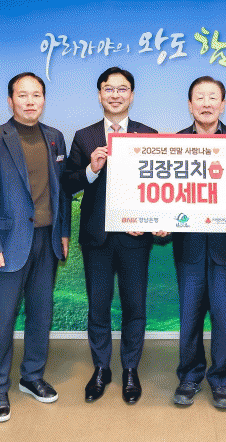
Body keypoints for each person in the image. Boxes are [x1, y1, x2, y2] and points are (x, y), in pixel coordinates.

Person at [0, 72, 71, 422]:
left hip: (47, 240)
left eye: (37, 94)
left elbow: (60, 191)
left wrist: (63, 232)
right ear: (10, 100)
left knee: (41, 313)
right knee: (1, 319)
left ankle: (32, 376)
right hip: (8, 242)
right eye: (23, 95)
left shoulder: (55, 137)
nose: (30, 101)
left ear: (44, 99)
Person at [159, 76, 226, 410]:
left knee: (222, 315)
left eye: (212, 97)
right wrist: (159, 220)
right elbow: (165, 190)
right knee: (189, 316)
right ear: (190, 105)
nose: (206, 103)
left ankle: (221, 380)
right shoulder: (175, 143)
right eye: (199, 97)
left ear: (223, 104)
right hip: (188, 246)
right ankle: (189, 377)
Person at [62, 67, 156, 404]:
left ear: (132, 95)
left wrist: (150, 220)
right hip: (97, 238)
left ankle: (130, 369)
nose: (115, 95)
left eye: (122, 89)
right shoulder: (84, 136)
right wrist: (91, 169)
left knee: (134, 306)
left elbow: (157, 186)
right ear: (100, 94)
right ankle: (101, 368)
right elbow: (68, 182)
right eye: (109, 89)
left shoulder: (148, 134)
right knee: (98, 307)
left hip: (135, 237)